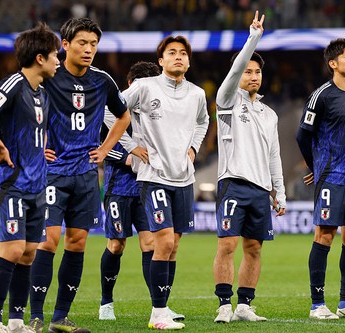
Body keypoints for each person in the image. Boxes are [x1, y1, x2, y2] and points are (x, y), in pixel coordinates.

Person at [28, 18, 131, 333]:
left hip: (87, 175)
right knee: (48, 241)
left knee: (77, 243)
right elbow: (22, 110)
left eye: (94, 44)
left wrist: (104, 150)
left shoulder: (102, 81)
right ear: (65, 43)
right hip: (52, 173)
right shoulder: (48, 76)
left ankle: (60, 318)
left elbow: (123, 115)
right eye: (82, 43)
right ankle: (34, 317)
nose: (89, 49)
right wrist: (37, 146)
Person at [121, 35, 209, 330]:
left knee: (174, 246)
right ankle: (157, 313)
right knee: (165, 241)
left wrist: (194, 149)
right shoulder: (145, 87)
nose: (178, 57)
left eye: (183, 53)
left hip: (184, 178)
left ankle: (164, 307)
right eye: (172, 53)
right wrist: (130, 145)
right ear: (161, 61)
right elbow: (111, 111)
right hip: (153, 176)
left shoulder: (196, 93)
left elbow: (203, 122)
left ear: (189, 60)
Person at [0, 23, 60, 333]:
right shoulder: (14, 83)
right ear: (40, 58)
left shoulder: (43, 93)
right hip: (12, 183)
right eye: (55, 54)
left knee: (28, 254)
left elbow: (31, 132)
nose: (58, 60)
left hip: (37, 185)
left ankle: (15, 321)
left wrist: (42, 150)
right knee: (12, 250)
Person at [212, 11, 287, 323]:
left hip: (259, 189)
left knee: (254, 248)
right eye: (248, 71)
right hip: (233, 182)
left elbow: (274, 156)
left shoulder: (269, 113)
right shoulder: (228, 100)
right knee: (227, 245)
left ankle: (244, 306)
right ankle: (224, 305)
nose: (253, 76)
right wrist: (254, 37)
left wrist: (278, 192)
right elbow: (234, 72)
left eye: (257, 72)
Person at [98, 61, 184, 322]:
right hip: (119, 188)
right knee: (117, 245)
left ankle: (159, 306)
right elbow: (98, 143)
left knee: (151, 244)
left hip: (147, 187)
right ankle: (106, 303)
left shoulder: (156, 113)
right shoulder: (112, 110)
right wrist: (124, 156)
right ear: (132, 86)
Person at [296, 38, 345, 320]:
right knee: (325, 235)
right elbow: (302, 135)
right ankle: (318, 304)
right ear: (333, 63)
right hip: (332, 177)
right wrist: (315, 166)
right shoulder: (322, 96)